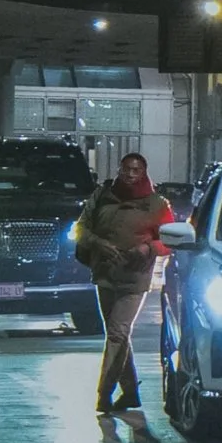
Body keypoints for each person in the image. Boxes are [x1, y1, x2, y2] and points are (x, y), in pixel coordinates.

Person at [74, 153, 173, 414]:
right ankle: (130, 393)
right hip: (105, 275)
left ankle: (103, 394)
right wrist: (98, 243)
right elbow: (81, 228)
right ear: (119, 169)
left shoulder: (156, 204)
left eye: (137, 170)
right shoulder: (102, 195)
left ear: (144, 173)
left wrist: (148, 248)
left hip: (134, 279)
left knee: (118, 332)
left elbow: (170, 240)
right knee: (118, 335)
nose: (131, 174)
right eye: (127, 169)